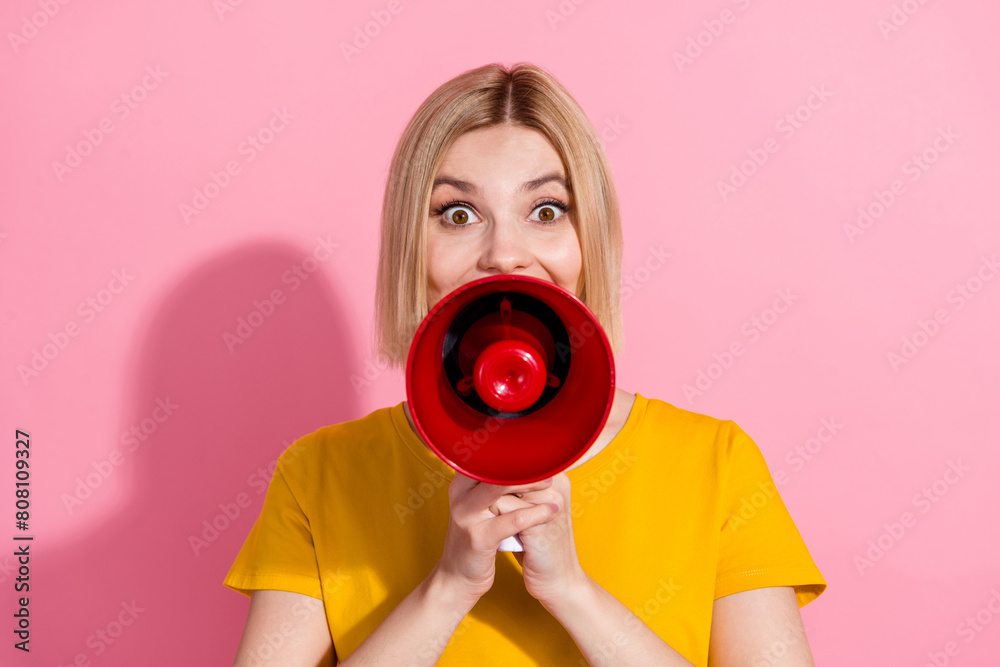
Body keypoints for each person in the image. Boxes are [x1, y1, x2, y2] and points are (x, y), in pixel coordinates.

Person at [223, 62, 827, 666]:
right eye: (458, 214)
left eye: (546, 211)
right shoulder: (318, 477)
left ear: (590, 239)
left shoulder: (715, 466)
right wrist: (448, 588)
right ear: (412, 247)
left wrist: (571, 591)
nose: (506, 254)